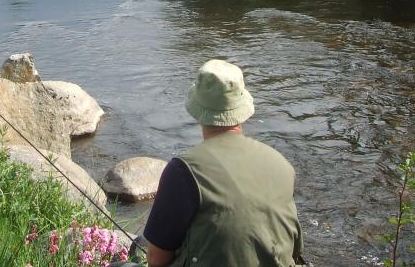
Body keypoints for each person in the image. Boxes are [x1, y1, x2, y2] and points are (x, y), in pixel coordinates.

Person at [111, 60, 304, 267]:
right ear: (242, 108)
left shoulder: (183, 171)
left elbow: (156, 260)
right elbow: (293, 248)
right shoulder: (282, 165)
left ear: (198, 110)